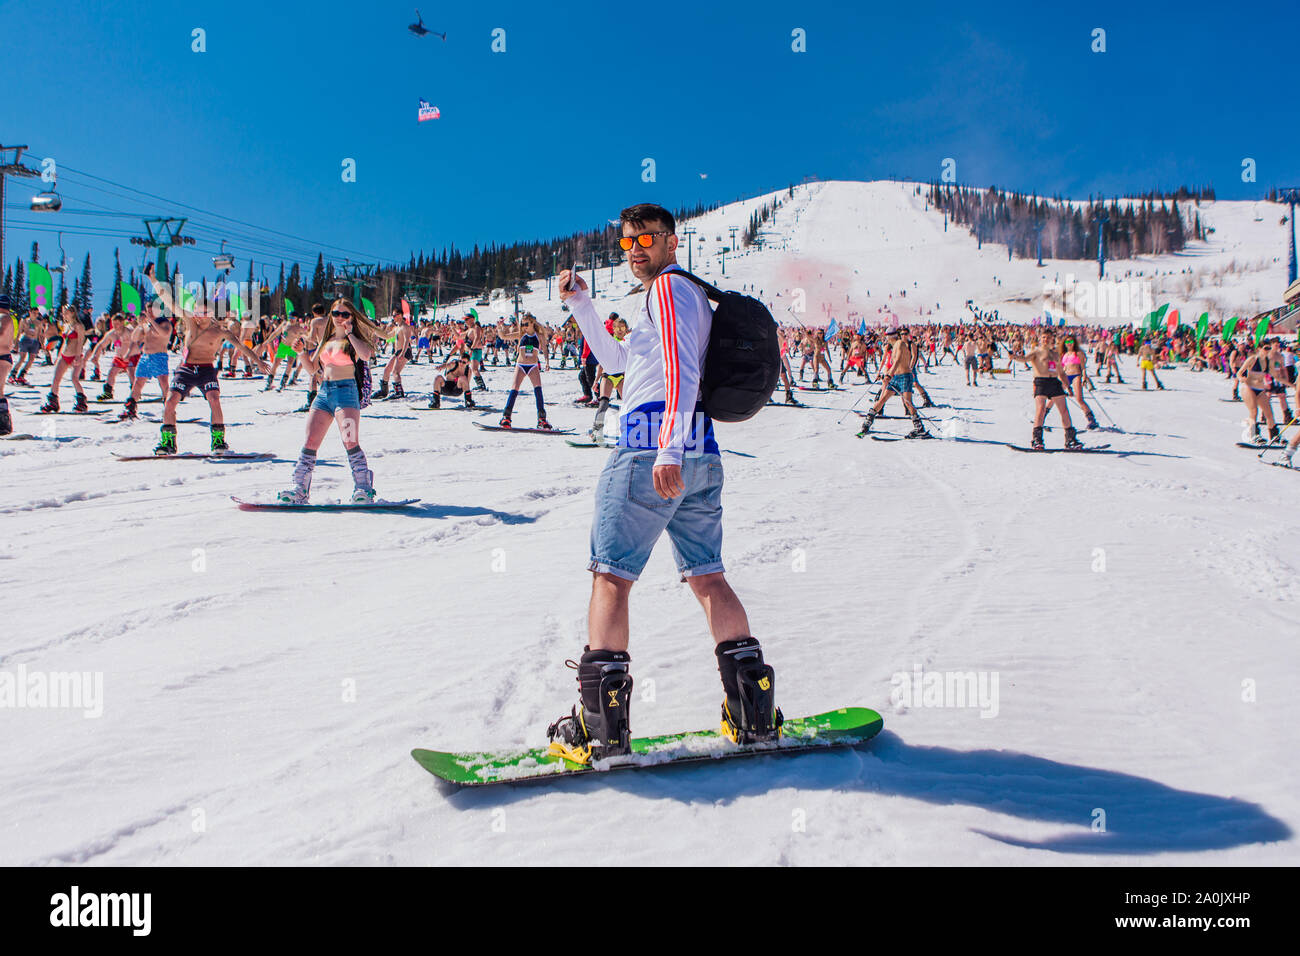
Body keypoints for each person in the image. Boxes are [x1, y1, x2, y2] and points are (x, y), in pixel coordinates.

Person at [547, 202, 780, 764]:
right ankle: (751, 714)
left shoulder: (670, 290)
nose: (636, 250)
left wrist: (667, 448)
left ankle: (599, 731)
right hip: (696, 451)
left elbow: (680, 369)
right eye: (627, 243)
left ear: (672, 242)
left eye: (646, 239)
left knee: (611, 577)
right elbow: (620, 362)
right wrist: (581, 303)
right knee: (708, 578)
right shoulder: (674, 296)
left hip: (656, 448)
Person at [141, 263, 267, 453]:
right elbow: (169, 301)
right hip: (186, 368)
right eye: (197, 312)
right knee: (170, 401)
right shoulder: (190, 322)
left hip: (207, 369)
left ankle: (218, 441)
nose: (200, 316)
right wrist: (153, 279)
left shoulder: (220, 331)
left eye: (204, 313)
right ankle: (168, 442)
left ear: (211, 313)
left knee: (214, 399)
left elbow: (240, 346)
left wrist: (257, 360)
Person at [279, 299, 383, 503]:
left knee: (350, 440)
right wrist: (300, 353)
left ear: (352, 317)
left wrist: (351, 332)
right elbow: (312, 369)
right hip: (324, 392)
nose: (340, 318)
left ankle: (363, 487)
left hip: (346, 392)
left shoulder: (353, 340)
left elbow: (365, 355)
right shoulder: (326, 341)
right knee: (310, 441)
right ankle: (300, 487)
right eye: (336, 314)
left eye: (345, 314)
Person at [1009, 329, 1081, 450]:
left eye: (1047, 337)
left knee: (1063, 410)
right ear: (1040, 339)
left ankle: (1070, 439)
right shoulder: (1036, 352)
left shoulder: (1055, 354)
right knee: (1041, 409)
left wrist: (1068, 386)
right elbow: (1024, 359)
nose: (1045, 340)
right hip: (1041, 382)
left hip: (1054, 382)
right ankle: (1037, 439)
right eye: (1043, 337)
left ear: (1052, 339)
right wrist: (1014, 357)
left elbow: (1061, 373)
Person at [498, 313, 552, 429]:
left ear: (532, 323)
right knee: (514, 389)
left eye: (526, 324)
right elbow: (504, 336)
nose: (524, 326)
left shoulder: (539, 336)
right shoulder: (521, 334)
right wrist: (500, 327)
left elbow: (545, 350)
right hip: (521, 364)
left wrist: (547, 362)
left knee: (538, 390)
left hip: (533, 365)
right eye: (522, 324)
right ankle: (506, 417)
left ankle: (542, 419)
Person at [0, 294, 14, 434]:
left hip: (2, 357)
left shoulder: (4, 317)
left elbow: (1, 333)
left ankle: (4, 423)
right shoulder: (7, 318)